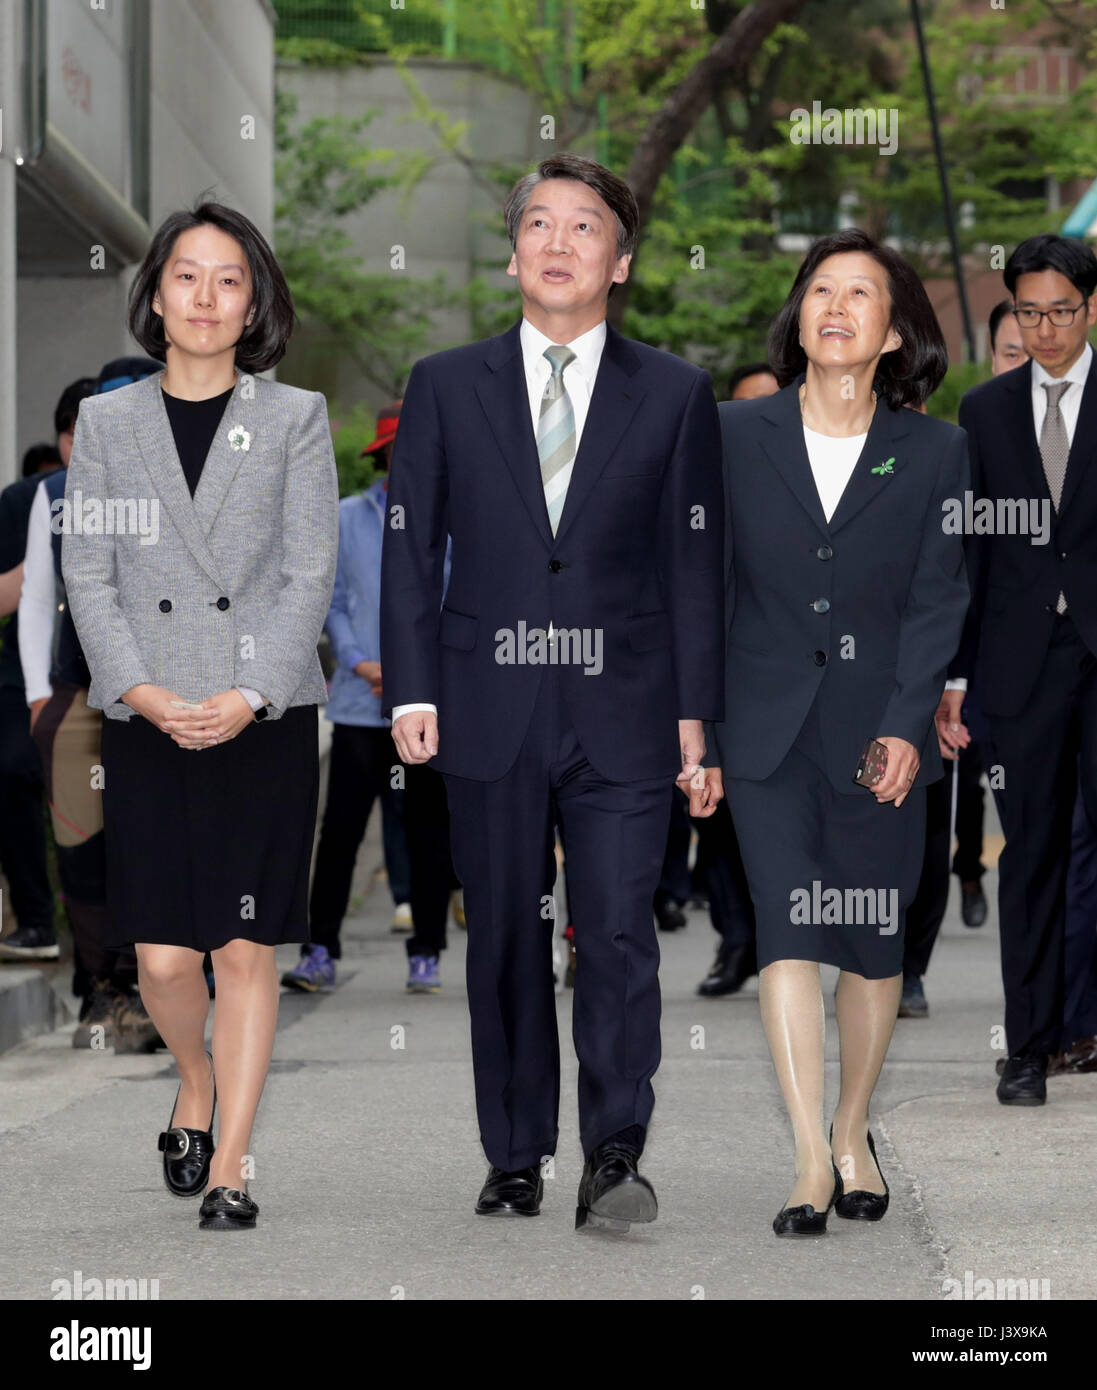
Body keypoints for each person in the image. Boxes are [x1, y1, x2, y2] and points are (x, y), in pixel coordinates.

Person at [380, 154, 724, 1231]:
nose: (559, 241)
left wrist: (693, 719)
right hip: (486, 700)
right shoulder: (443, 383)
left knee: (617, 930)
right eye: (539, 222)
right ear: (516, 249)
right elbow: (408, 549)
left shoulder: (673, 394)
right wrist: (411, 689)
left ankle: (613, 1150)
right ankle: (516, 1148)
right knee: (509, 936)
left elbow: (692, 565)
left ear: (617, 263)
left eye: (584, 227)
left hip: (624, 703)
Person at [61, 200, 339, 1230]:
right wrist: (140, 691)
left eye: (230, 279)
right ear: (158, 293)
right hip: (148, 715)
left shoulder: (297, 417)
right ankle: (193, 1074)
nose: (208, 297)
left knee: (242, 945)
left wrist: (247, 693)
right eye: (189, 276)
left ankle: (230, 1161)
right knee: (167, 957)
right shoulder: (109, 422)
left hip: (257, 717)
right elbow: (87, 574)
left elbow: (310, 568)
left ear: (254, 300)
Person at [692, 228, 969, 1235]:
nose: (835, 307)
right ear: (796, 314)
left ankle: (853, 1125)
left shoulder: (934, 450)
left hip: (876, 737)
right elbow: (702, 588)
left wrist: (906, 723)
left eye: (860, 293)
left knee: (866, 939)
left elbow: (939, 599)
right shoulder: (730, 436)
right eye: (819, 289)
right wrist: (697, 732)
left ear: (894, 333)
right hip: (760, 730)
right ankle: (809, 1154)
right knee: (787, 929)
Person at [941, 234, 1097, 1105]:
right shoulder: (984, 410)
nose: (1044, 328)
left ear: (1090, 307)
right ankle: (1027, 1048)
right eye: (1029, 312)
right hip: (1018, 665)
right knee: (1030, 857)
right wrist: (956, 674)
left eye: (1061, 311)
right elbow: (971, 552)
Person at [18, 363, 163, 1051]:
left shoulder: (180, 488)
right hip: (74, 697)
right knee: (80, 849)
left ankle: (144, 989)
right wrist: (38, 696)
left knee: (146, 843)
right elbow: (39, 601)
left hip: (156, 699)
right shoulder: (58, 492)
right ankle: (101, 992)